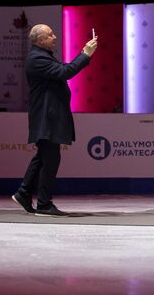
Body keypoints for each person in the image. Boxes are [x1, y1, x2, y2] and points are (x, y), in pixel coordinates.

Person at [11, 24, 98, 216]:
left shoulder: (42, 56)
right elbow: (65, 73)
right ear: (40, 40)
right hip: (46, 116)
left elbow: (64, 68)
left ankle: (23, 193)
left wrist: (84, 53)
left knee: (43, 157)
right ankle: (43, 204)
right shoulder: (37, 58)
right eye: (51, 35)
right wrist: (86, 54)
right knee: (50, 159)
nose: (55, 37)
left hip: (47, 115)